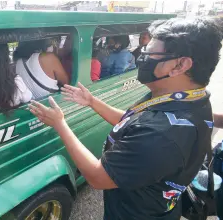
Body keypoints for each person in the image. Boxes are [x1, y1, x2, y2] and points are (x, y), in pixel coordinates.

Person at [29, 17, 222, 220]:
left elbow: (97, 176)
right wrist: (92, 101)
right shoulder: (192, 98)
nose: (141, 57)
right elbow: (133, 122)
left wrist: (60, 124)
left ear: (180, 65)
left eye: (150, 52)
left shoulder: (160, 137)